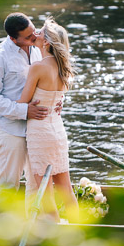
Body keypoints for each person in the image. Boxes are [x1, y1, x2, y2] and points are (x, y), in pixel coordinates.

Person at [0, 12, 49, 216]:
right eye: (27, 38)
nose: (33, 38)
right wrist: (23, 110)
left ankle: (30, 231)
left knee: (35, 184)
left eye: (33, 32)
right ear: (13, 38)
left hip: (36, 129)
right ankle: (0, 236)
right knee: (10, 183)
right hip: (10, 130)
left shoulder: (36, 49)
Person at [17, 16, 79, 222]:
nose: (36, 33)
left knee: (45, 191)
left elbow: (22, 102)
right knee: (66, 188)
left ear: (46, 42)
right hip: (58, 131)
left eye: (40, 32)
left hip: (40, 133)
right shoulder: (63, 69)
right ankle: (78, 229)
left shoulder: (38, 67)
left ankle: (56, 234)